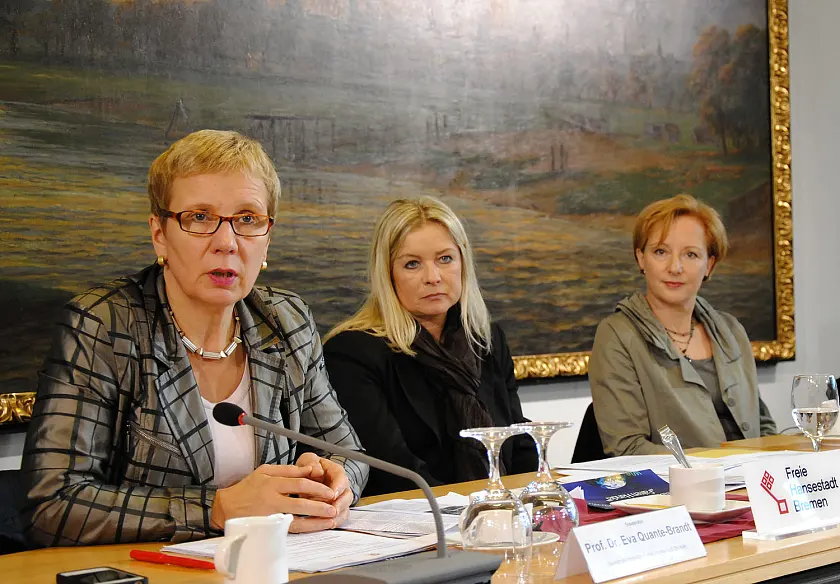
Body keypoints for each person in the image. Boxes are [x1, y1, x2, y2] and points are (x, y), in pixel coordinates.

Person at [21, 130, 368, 547]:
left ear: (267, 238)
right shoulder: (105, 325)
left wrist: (333, 481)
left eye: (247, 219)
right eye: (200, 217)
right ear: (159, 235)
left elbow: (347, 453)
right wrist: (219, 508)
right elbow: (52, 505)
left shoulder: (286, 320)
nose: (227, 243)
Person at [323, 196, 537, 496]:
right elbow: (391, 467)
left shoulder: (486, 339)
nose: (433, 277)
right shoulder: (353, 352)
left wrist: (531, 499)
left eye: (445, 259)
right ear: (388, 273)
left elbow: (519, 438)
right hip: (414, 521)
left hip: (499, 515)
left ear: (463, 262)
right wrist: (468, 512)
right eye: (412, 264)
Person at [589, 194, 776, 456]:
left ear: (709, 265)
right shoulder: (617, 335)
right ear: (641, 259)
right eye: (660, 252)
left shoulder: (730, 330)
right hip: (681, 490)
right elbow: (627, 448)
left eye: (690, 254)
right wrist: (713, 470)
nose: (675, 267)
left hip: (751, 484)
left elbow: (762, 424)